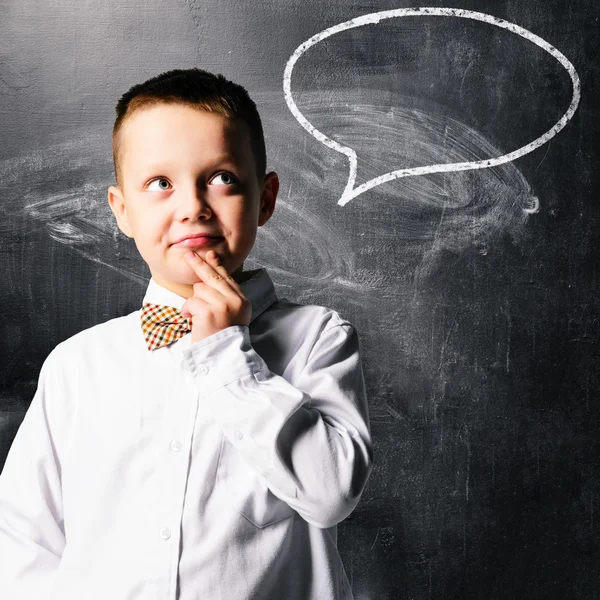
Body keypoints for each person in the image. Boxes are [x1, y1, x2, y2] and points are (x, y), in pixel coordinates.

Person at [0, 68, 373, 599]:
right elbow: (22, 543)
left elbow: (331, 494)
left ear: (265, 199)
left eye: (221, 177)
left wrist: (227, 355)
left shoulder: (318, 338)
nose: (192, 206)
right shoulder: (77, 366)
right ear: (122, 211)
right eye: (160, 183)